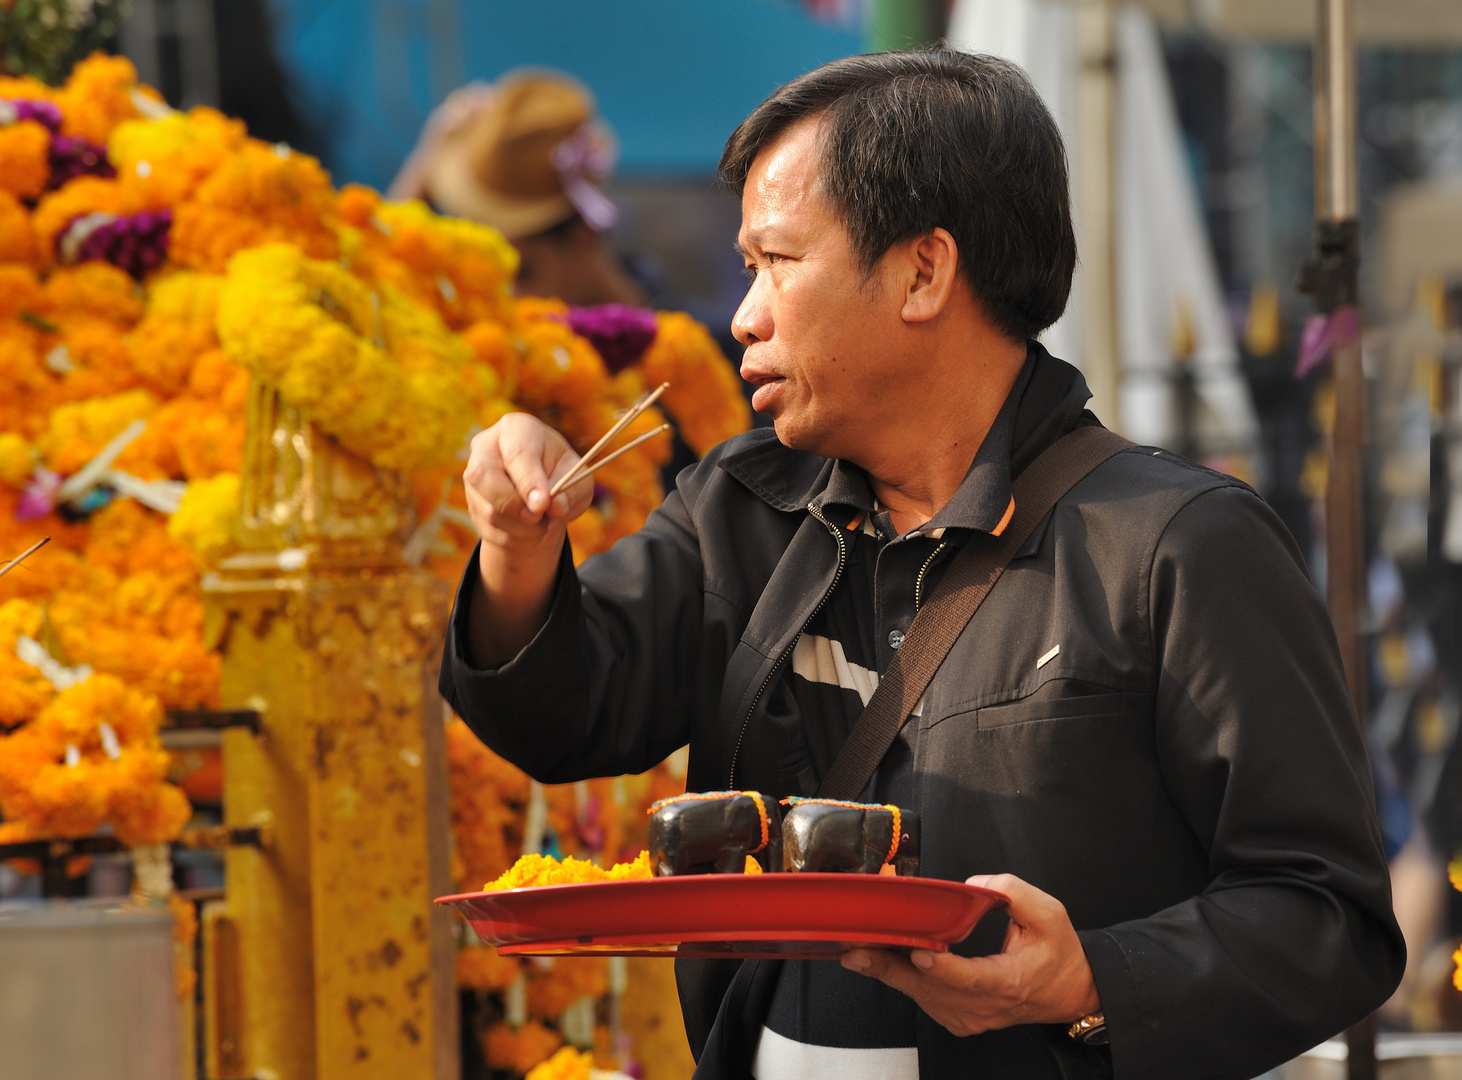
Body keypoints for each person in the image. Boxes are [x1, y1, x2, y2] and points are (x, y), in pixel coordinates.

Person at [440, 50, 1404, 1079]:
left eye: (778, 262)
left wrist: (1091, 979)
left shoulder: (1173, 542)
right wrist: (518, 547)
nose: (744, 314)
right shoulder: (745, 507)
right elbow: (562, 710)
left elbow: (1326, 918)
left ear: (921, 272)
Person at [388, 69, 647, 306]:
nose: (504, 295)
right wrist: (426, 161)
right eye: (484, 269)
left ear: (583, 240)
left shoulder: (664, 339)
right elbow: (382, 266)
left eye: (522, 273)